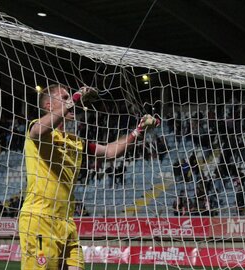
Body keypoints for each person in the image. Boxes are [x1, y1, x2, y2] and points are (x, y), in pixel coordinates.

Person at [18, 84, 158, 270]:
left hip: (66, 222)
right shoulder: (38, 131)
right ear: (49, 106)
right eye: (64, 96)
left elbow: (109, 151)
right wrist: (74, 98)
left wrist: (137, 132)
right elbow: (38, 130)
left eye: (70, 96)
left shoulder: (76, 142)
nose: (71, 100)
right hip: (39, 219)